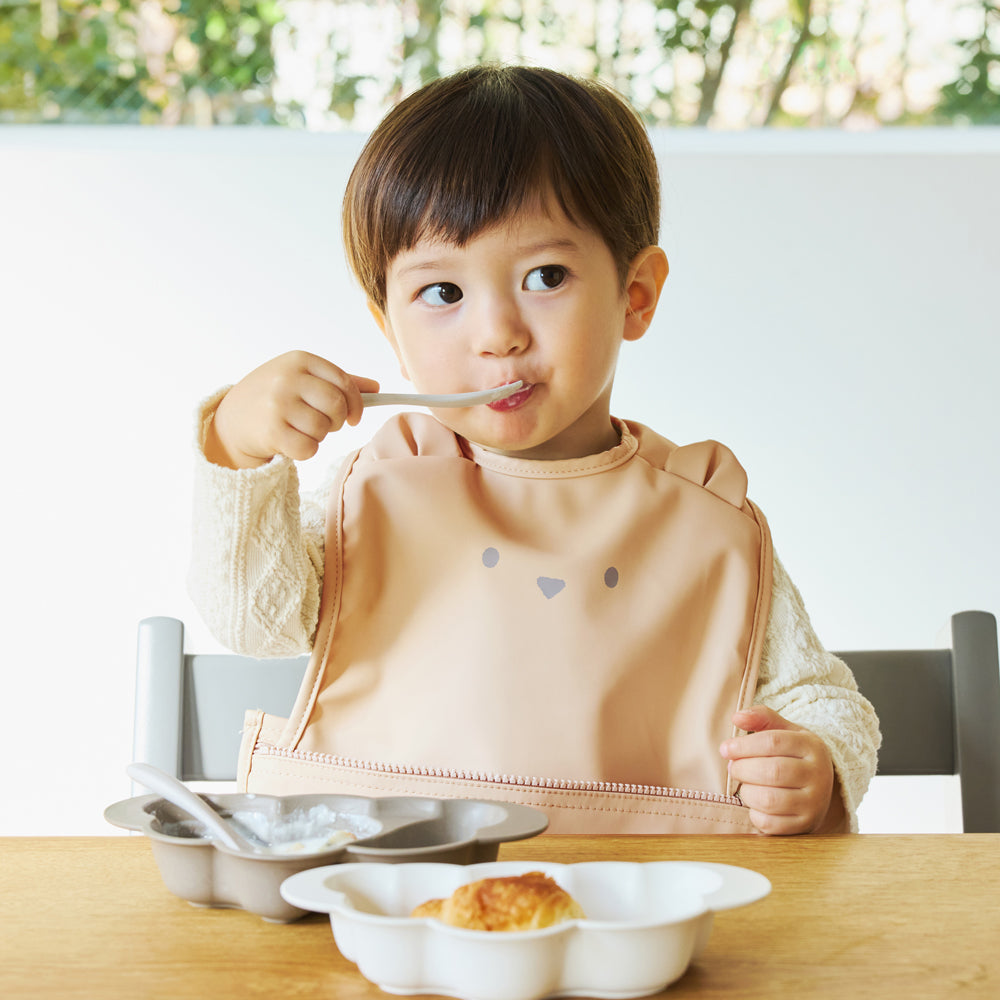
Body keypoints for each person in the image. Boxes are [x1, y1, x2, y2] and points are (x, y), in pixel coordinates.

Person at [189, 65, 879, 835]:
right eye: (442, 294)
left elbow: (822, 699)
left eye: (544, 276)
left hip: (630, 919)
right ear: (389, 325)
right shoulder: (386, 485)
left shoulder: (703, 515)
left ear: (635, 295)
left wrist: (817, 764)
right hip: (387, 906)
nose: (496, 335)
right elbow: (254, 620)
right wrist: (239, 447)